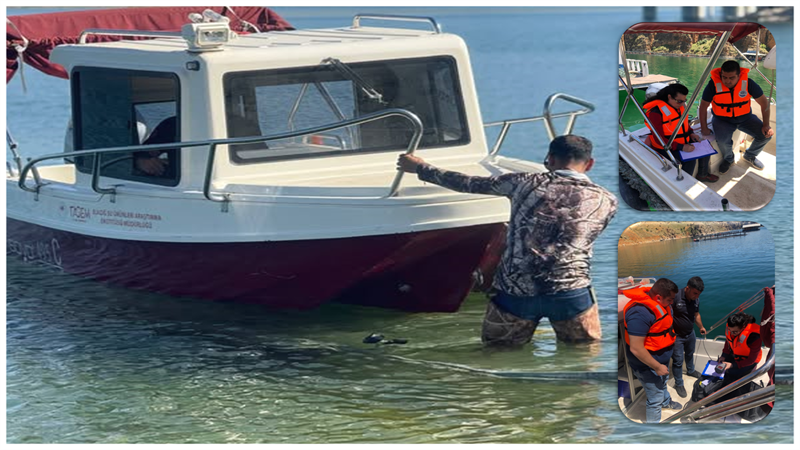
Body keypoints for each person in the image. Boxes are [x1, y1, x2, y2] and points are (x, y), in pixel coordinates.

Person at [397, 135, 618, 346]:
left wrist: (420, 168)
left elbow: (468, 183)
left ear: (550, 159)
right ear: (590, 164)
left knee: (497, 352)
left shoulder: (523, 182)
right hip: (571, 293)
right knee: (583, 355)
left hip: (516, 292)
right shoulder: (607, 200)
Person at [621, 278, 682, 423]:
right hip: (647, 366)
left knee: (663, 384)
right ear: (658, 298)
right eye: (670, 300)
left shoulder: (661, 305)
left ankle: (666, 402)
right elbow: (636, 348)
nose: (671, 303)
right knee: (655, 398)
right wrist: (657, 366)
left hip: (661, 361)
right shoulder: (639, 313)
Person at [698, 60, 774, 174]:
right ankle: (729, 159)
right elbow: (703, 106)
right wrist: (704, 128)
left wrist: (766, 125)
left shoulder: (748, 83)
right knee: (722, 141)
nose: (727, 81)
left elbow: (764, 103)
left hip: (746, 118)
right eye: (724, 77)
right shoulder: (713, 85)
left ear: (739, 75)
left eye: (732, 78)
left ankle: (750, 155)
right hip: (722, 119)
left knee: (766, 136)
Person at [643, 83, 718, 183]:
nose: (682, 104)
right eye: (679, 101)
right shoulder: (656, 113)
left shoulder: (680, 107)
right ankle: (684, 184)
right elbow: (659, 139)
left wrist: (691, 133)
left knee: (706, 148)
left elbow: (685, 124)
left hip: (682, 140)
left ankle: (702, 175)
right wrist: (681, 147)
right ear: (669, 97)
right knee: (690, 160)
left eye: (684, 101)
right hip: (665, 146)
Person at [670, 276, 708, 398]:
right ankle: (679, 384)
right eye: (695, 293)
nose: (697, 296)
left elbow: (696, 314)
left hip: (690, 333)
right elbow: (667, 315)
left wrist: (701, 327)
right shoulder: (675, 297)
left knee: (690, 354)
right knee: (678, 361)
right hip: (677, 336)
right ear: (687, 288)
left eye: (699, 294)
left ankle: (691, 371)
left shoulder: (696, 299)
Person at [718, 312, 763, 387]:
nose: (731, 333)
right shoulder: (731, 329)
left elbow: (751, 360)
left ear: (743, 327)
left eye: (734, 332)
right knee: (721, 366)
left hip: (749, 360)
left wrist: (732, 365)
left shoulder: (754, 337)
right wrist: (724, 355)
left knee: (731, 372)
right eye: (730, 330)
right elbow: (728, 341)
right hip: (736, 354)